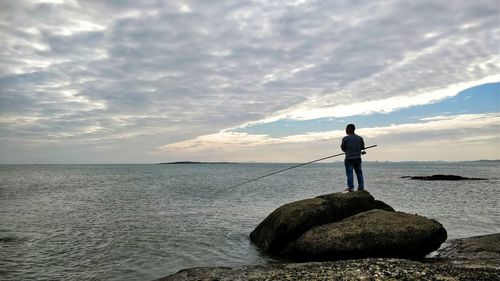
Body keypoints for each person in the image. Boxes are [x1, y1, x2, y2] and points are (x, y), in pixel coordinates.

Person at [340, 124, 365, 192]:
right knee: (359, 173)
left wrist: (348, 151)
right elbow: (362, 148)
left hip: (349, 159)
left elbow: (343, 148)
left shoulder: (345, 138)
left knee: (349, 174)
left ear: (350, 129)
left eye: (346, 129)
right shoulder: (360, 138)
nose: (346, 130)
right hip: (358, 159)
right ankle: (361, 187)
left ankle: (351, 188)